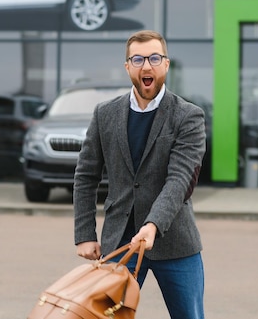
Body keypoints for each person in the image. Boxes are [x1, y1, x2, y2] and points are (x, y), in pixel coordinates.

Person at [73, 29, 207, 319]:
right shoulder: (104, 114)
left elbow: (180, 179)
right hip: (120, 244)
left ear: (166, 64)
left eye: (154, 58)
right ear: (127, 67)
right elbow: (85, 176)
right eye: (138, 59)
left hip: (175, 243)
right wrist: (84, 234)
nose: (146, 65)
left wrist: (152, 224)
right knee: (106, 317)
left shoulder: (188, 116)